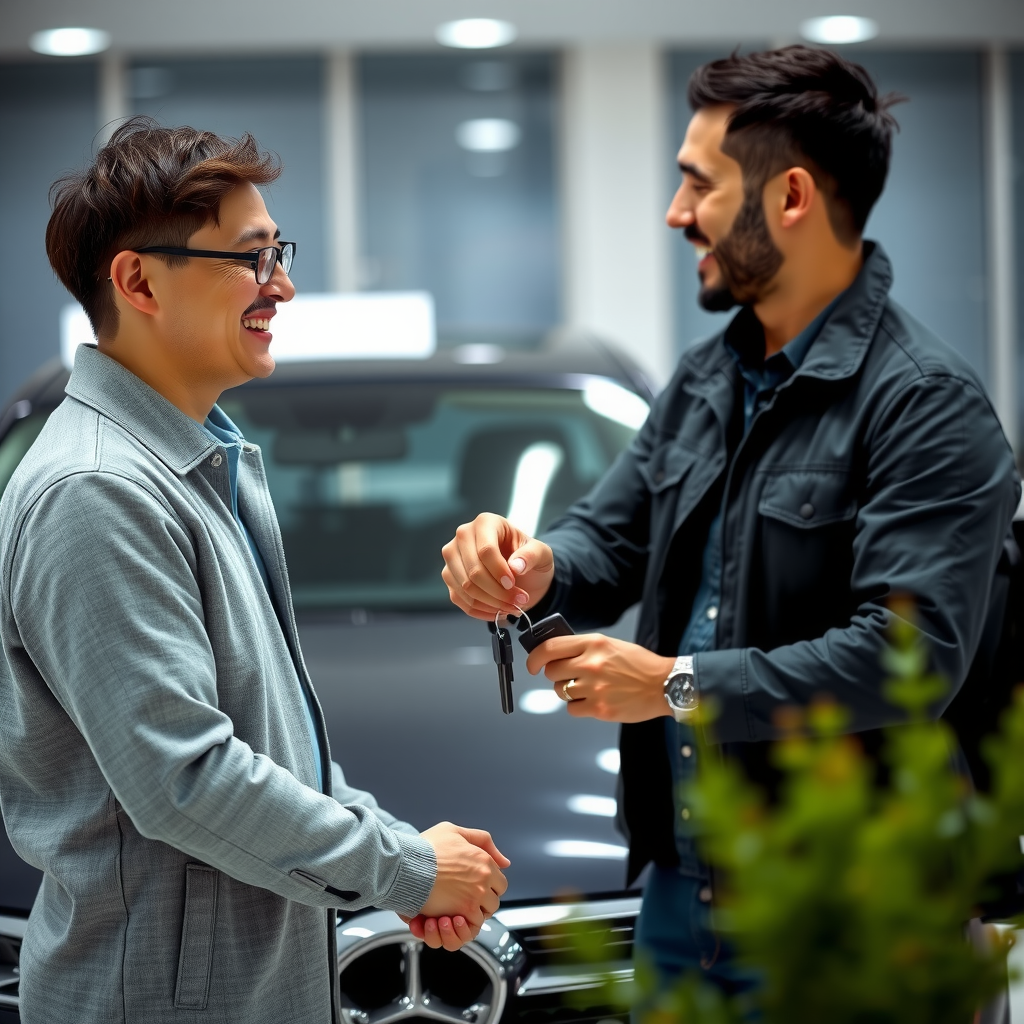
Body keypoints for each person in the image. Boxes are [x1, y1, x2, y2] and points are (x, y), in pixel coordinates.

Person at [441, 46, 1020, 996]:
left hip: (852, 909)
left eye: (697, 184)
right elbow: (613, 538)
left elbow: (906, 658)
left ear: (789, 196)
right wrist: (532, 563)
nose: (677, 214)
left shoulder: (924, 401)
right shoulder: (710, 377)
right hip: (681, 899)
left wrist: (675, 686)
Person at [0, 117, 508, 1024]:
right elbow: (185, 780)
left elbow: (278, 752)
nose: (284, 286)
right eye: (252, 260)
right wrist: (406, 867)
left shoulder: (198, 463)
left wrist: (400, 855)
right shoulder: (98, 490)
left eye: (280, 254)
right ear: (137, 280)